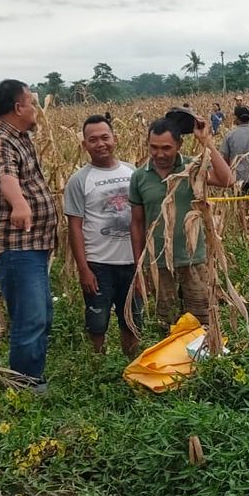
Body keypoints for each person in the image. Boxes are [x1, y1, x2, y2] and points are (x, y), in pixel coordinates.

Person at [0, 79, 58, 390]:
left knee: (39, 315)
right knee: (31, 317)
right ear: (18, 108)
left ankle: (31, 378)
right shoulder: (0, 140)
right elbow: (6, 175)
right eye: (31, 103)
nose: (36, 108)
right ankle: (26, 387)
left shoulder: (18, 137)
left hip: (31, 245)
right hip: (16, 244)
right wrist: (20, 204)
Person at [129, 110, 234, 326]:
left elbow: (227, 180)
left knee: (201, 321)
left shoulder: (192, 168)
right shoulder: (139, 177)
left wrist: (206, 141)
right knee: (166, 323)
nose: (159, 154)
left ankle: (202, 350)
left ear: (179, 145)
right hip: (158, 263)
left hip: (192, 259)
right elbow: (137, 224)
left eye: (166, 148)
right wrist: (138, 267)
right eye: (154, 147)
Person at [64, 112, 140, 358]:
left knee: (132, 320)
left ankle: (132, 364)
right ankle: (99, 367)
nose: (100, 144)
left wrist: (143, 263)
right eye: (93, 139)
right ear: (84, 145)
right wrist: (84, 269)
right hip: (98, 265)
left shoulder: (133, 172)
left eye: (105, 137)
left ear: (115, 139)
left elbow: (142, 218)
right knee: (97, 323)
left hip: (132, 262)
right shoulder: (79, 180)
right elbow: (75, 227)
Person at [219, 105, 249, 194]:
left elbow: (225, 158)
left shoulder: (229, 136)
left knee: (237, 199)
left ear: (237, 118)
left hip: (236, 177)